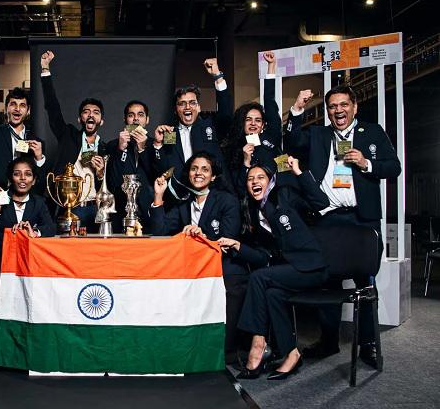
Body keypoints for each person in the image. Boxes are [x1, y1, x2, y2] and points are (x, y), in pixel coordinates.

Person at [285, 84, 401, 368]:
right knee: (327, 281)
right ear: (327, 111)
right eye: (332, 106)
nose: (338, 110)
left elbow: (393, 167)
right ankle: (328, 341)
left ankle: (369, 344)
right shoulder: (319, 134)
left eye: (343, 105)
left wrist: (366, 163)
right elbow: (291, 143)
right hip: (329, 217)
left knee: (365, 282)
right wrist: (297, 109)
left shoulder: (372, 132)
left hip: (363, 218)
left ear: (354, 106)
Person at [218, 157, 329, 380]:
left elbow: (321, 202)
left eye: (260, 177)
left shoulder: (285, 196)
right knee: (272, 294)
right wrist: (239, 245)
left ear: (271, 181)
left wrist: (299, 172)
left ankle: (257, 344)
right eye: (250, 179)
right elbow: (262, 257)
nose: (254, 182)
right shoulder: (254, 216)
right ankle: (291, 353)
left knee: (258, 278)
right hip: (289, 272)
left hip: (311, 267)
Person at [150, 151, 243, 358]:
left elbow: (227, 240)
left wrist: (203, 237)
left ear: (213, 176)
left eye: (204, 169)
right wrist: (158, 195)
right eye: (194, 168)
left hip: (222, 266)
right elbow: (159, 233)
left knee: (231, 285)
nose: (198, 173)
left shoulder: (227, 200)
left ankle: (223, 350)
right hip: (190, 269)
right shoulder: (184, 204)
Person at [0, 156, 56, 364]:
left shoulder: (39, 203)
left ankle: (25, 345)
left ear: (34, 180)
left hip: (23, 266)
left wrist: (34, 231)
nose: (22, 178)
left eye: (28, 174)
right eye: (17, 173)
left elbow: (50, 228)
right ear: (10, 178)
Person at [40, 50, 107, 231]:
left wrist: (100, 174)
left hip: (95, 209)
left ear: (101, 121)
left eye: (96, 112)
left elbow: (111, 185)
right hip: (70, 207)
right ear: (80, 119)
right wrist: (45, 71)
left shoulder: (106, 148)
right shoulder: (68, 135)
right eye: (86, 112)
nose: (90, 115)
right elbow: (52, 109)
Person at [151, 57, 234, 201]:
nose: (187, 107)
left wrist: (217, 75)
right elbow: (165, 167)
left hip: (214, 196)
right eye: (182, 104)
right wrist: (158, 145)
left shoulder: (211, 126)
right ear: (176, 110)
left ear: (199, 107)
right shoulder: (171, 134)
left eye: (192, 103)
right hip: (182, 199)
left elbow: (226, 113)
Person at [222, 51, 284, 198]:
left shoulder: (272, 139)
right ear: (242, 123)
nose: (253, 123)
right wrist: (246, 161)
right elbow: (236, 186)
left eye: (258, 120)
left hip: (274, 201)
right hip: (246, 206)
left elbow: (269, 102)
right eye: (248, 119)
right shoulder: (234, 147)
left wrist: (271, 67)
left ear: (263, 125)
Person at [104, 100, 155, 231]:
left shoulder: (157, 144)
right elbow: (112, 182)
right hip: (121, 212)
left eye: (141, 115)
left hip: (149, 212)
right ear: (125, 119)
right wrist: (120, 150)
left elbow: (157, 176)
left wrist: (143, 149)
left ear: (147, 120)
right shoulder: (112, 145)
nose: (136, 119)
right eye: (131, 115)